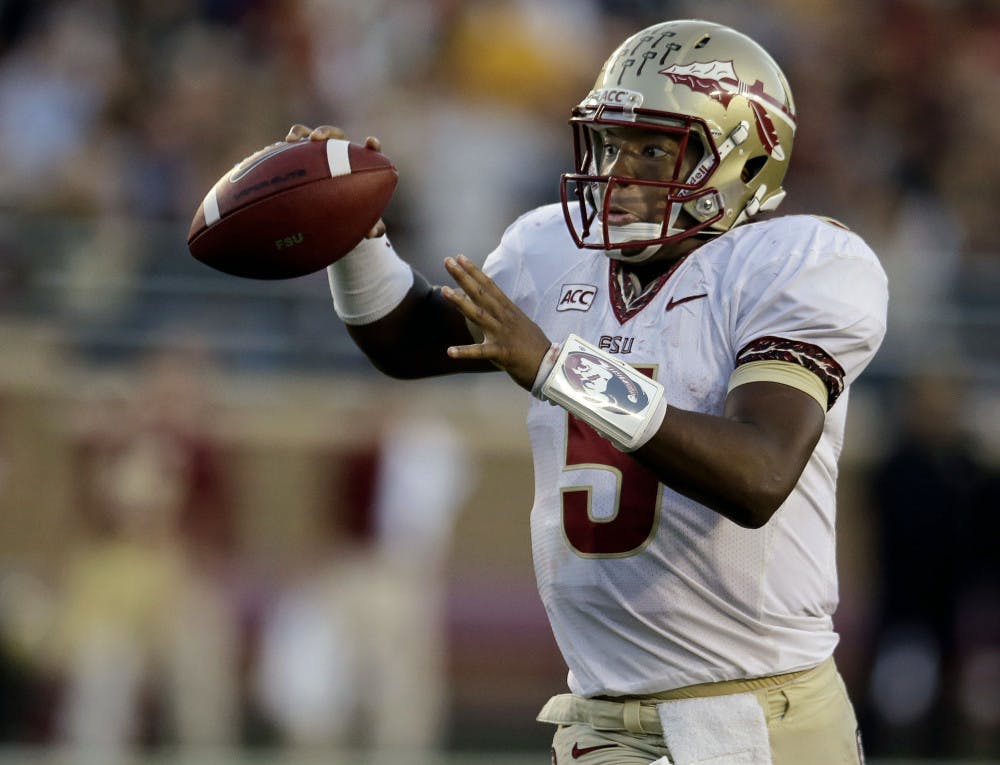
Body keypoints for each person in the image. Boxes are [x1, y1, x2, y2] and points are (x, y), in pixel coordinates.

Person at [287, 19, 887, 765]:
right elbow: (413, 342)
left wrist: (557, 369)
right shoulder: (554, 252)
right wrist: (351, 237)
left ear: (742, 155)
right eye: (611, 144)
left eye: (652, 148)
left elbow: (759, 471)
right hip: (602, 719)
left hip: (759, 714)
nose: (618, 173)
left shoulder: (796, 263)